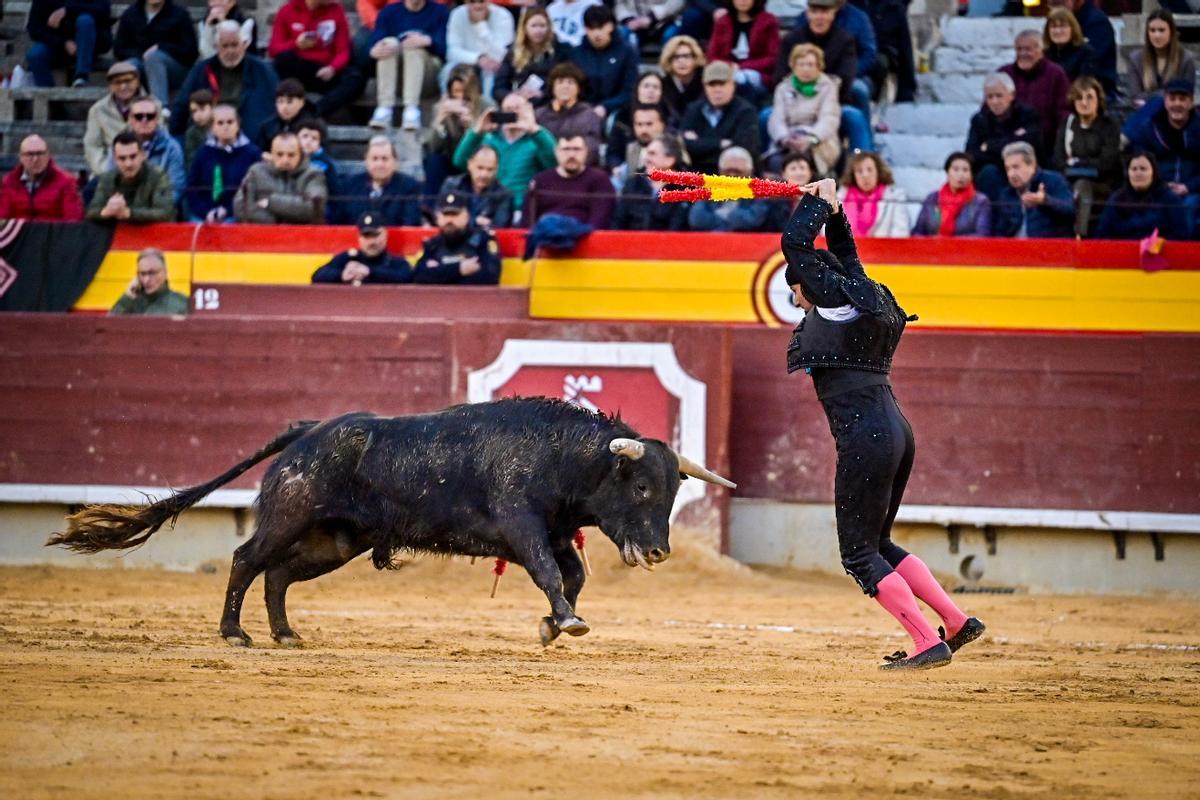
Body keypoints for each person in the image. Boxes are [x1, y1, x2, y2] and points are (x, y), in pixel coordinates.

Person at [781, 176, 985, 671]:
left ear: (807, 284)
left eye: (797, 294)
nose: (799, 304)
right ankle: (955, 621)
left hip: (865, 436)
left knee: (858, 553)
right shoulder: (863, 294)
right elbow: (846, 254)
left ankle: (925, 640)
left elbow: (794, 245)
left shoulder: (832, 302)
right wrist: (834, 208)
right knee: (879, 543)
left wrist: (814, 202)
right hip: (895, 430)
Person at [773, 0, 871, 154]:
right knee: (765, 116)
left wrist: (820, 88)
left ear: (833, 14)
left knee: (854, 117)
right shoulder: (791, 39)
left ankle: (862, 157)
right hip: (794, 104)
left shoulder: (845, 40)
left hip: (832, 102)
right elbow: (780, 75)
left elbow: (846, 77)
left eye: (824, 12)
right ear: (807, 14)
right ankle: (761, 163)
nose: (819, 17)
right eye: (815, 12)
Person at [169, 20, 279, 145]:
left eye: (234, 45)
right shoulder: (202, 70)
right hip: (208, 139)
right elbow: (182, 105)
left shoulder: (262, 70)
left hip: (252, 140)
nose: (230, 51)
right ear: (216, 47)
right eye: (225, 46)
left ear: (244, 44)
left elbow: (275, 106)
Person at [453, 93, 557, 209]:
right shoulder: (489, 139)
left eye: (517, 108)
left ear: (528, 111)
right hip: (489, 206)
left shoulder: (536, 140)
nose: (512, 112)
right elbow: (460, 161)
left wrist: (534, 129)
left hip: (521, 207)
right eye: (507, 109)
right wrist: (477, 131)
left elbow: (554, 163)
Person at [1123, 80, 1200, 234]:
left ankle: (1183, 248)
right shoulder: (1149, 128)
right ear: (1165, 101)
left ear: (1191, 102)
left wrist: (1188, 187)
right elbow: (1139, 162)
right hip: (1156, 189)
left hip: (1193, 191)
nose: (1177, 104)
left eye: (1182, 99)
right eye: (1172, 99)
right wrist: (1161, 185)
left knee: (1189, 206)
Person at [268, 0, 366, 119]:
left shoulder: (337, 10)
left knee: (356, 78)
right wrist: (296, 44)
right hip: (298, 69)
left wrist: (333, 68)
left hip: (325, 70)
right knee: (281, 61)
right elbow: (273, 49)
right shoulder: (287, 10)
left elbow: (343, 51)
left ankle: (315, 111)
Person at [1052, 76, 1121, 238]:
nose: (1084, 102)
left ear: (1099, 100)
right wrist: (1085, 165)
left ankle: (1079, 237)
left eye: (1089, 97)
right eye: (1079, 97)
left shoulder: (1109, 125)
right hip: (1069, 181)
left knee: (1082, 186)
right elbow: (1058, 161)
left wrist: (1076, 163)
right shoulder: (1068, 123)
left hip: (1103, 184)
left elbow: (1107, 164)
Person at [368, 0, 450, 130]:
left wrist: (428, 41)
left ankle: (411, 110)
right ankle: (384, 108)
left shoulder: (440, 12)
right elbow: (374, 44)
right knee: (388, 43)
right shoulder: (389, 12)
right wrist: (375, 50)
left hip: (428, 78)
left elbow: (448, 50)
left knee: (413, 47)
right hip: (397, 78)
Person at [767, 43, 841, 177]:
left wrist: (811, 138)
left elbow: (829, 118)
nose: (806, 69)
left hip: (817, 142)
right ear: (793, 66)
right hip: (789, 139)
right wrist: (784, 138)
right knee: (776, 162)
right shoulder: (783, 88)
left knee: (804, 162)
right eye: (801, 64)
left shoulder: (828, 86)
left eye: (810, 65)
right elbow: (777, 118)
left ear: (819, 66)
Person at [965, 72, 1041, 201]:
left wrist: (989, 146)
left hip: (1024, 169)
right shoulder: (979, 119)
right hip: (992, 173)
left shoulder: (1027, 114)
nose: (994, 101)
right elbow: (972, 154)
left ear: (1012, 95)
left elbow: (1028, 147)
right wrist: (1010, 141)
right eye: (990, 97)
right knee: (988, 173)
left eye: (999, 96)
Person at [680, 60, 761, 175]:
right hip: (697, 177)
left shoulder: (746, 111)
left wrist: (700, 145)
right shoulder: (694, 110)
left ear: (733, 85)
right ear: (704, 87)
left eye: (722, 84)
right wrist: (721, 143)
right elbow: (685, 146)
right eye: (712, 85)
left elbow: (744, 149)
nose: (717, 90)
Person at [999, 30, 1070, 159]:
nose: (1023, 54)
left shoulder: (1055, 74)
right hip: (1007, 145)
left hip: (1046, 146)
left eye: (1028, 49)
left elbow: (1063, 113)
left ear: (1041, 50)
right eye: (1019, 49)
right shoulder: (1005, 74)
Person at [185, 104, 262, 222]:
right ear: (212, 128)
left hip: (238, 214)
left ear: (238, 124)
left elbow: (254, 191)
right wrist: (206, 212)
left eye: (230, 122)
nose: (226, 127)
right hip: (204, 214)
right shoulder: (203, 153)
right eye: (220, 123)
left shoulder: (252, 153)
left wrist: (228, 210)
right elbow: (192, 188)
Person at [113, 0, 198, 106]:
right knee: (129, 66)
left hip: (175, 70)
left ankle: (160, 108)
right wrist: (142, 55)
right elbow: (119, 49)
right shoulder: (131, 14)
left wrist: (161, 47)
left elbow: (190, 51)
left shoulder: (179, 14)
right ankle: (125, 108)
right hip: (141, 65)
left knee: (154, 58)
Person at [233, 131, 328, 224]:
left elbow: (314, 209)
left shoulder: (313, 174)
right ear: (271, 153)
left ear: (300, 155)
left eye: (291, 155)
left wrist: (270, 202)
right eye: (279, 154)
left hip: (301, 233)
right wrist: (275, 223)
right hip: (263, 232)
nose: (285, 160)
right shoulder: (256, 172)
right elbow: (242, 209)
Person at [1094, 152, 1190, 241]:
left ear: (1154, 173)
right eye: (1134, 169)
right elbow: (1102, 235)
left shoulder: (1169, 199)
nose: (1138, 173)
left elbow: (1181, 236)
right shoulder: (1117, 198)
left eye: (1143, 169)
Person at [525, 134, 615, 228]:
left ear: (586, 151)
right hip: (544, 234)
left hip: (585, 235)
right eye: (566, 149)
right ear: (556, 152)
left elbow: (600, 221)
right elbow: (527, 222)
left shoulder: (599, 179)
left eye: (577, 149)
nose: (571, 155)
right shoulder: (540, 180)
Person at [425, 64, 490, 195]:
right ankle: (432, 203)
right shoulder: (441, 107)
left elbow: (489, 144)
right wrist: (439, 122)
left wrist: (472, 126)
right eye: (456, 91)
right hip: (450, 159)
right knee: (433, 160)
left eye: (464, 92)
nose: (460, 97)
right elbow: (433, 147)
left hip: (475, 159)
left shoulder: (486, 106)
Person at [412, 190, 502, 284]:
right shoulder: (432, 245)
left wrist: (438, 273)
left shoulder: (482, 240)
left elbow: (490, 275)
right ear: (438, 217)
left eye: (455, 214)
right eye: (445, 214)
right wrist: (459, 269)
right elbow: (418, 276)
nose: (450, 220)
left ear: (467, 216)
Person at [331, 136, 424, 226]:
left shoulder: (409, 187)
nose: (379, 164)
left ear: (395, 162)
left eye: (385, 159)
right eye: (374, 159)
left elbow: (411, 223)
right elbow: (338, 223)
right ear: (366, 161)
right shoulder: (349, 185)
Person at [990, 141, 1075, 239]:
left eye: (1016, 167)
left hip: (1047, 245)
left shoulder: (1054, 181)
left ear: (1032, 165)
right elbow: (999, 233)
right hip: (1014, 247)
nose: (1011, 174)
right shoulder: (1007, 194)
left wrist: (1045, 201)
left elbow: (1071, 209)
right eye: (1007, 169)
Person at [112, 95, 186, 205]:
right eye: (138, 116)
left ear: (157, 119)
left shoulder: (172, 148)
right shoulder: (119, 145)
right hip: (123, 207)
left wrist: (148, 209)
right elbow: (109, 182)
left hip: (160, 210)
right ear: (130, 119)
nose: (144, 120)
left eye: (150, 116)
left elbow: (176, 189)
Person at [87, 130, 176, 223]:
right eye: (122, 158)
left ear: (143, 155)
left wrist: (128, 213)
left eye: (133, 157)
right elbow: (91, 211)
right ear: (114, 159)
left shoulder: (158, 176)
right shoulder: (107, 178)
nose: (128, 164)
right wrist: (107, 211)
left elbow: (165, 213)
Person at [572, 5, 639, 124]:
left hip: (616, 112)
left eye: (600, 27)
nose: (596, 34)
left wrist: (606, 106)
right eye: (591, 29)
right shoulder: (577, 53)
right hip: (581, 110)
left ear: (611, 26)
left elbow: (629, 90)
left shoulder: (627, 52)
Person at [612, 134, 689, 232]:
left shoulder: (683, 189)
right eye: (647, 153)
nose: (646, 159)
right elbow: (618, 223)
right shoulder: (633, 184)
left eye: (652, 154)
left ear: (669, 160)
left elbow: (677, 227)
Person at [26, 0, 112, 87]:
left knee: (85, 20)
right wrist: (64, 43)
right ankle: (48, 92)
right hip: (56, 45)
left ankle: (81, 77)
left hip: (87, 45)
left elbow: (103, 9)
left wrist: (67, 10)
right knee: (35, 55)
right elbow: (34, 28)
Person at [705, 0, 779, 101]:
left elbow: (772, 58)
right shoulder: (723, 21)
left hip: (757, 73)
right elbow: (713, 55)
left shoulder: (768, 21)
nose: (743, 1)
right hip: (727, 71)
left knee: (741, 79)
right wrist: (729, 66)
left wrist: (741, 67)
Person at [312, 212, 414, 284]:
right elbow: (317, 276)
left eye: (376, 235)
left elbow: (406, 277)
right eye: (366, 236)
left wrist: (369, 272)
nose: (371, 242)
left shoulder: (395, 262)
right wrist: (341, 275)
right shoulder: (348, 258)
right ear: (359, 238)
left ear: (385, 235)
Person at [493, 6, 565, 107]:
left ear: (549, 27)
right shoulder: (513, 52)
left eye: (542, 26)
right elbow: (499, 87)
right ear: (525, 27)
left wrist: (543, 93)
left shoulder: (560, 50)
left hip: (549, 103)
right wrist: (511, 96)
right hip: (519, 103)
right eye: (534, 26)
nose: (538, 30)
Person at [0, 135, 85, 221]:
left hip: (53, 229)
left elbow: (73, 220)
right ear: (21, 157)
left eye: (40, 153)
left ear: (48, 155)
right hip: (19, 229)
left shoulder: (67, 182)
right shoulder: (8, 182)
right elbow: (2, 219)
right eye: (29, 154)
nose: (35, 159)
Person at [1125, 9, 1196, 111]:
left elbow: (1186, 96)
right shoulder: (1135, 59)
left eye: (1161, 30)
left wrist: (1149, 97)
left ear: (1171, 32)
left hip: (1176, 113)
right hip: (1145, 114)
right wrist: (1167, 94)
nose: (1157, 35)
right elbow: (1135, 98)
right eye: (1152, 30)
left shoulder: (1186, 60)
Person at [84, 61, 146, 176]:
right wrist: (103, 169)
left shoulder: (153, 106)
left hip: (145, 168)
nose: (123, 86)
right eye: (117, 82)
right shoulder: (98, 110)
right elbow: (92, 145)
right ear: (110, 86)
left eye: (128, 81)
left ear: (137, 81)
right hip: (109, 167)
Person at [688, 146, 770, 232]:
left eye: (738, 172)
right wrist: (731, 220)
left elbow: (753, 220)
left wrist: (723, 216)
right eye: (727, 171)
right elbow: (696, 219)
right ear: (720, 171)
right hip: (711, 238)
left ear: (750, 172)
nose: (732, 175)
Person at [445, 0, 514, 102]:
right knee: (448, 70)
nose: (477, 6)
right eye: (472, 1)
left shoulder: (503, 16)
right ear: (466, 2)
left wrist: (481, 25)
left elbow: (504, 54)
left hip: (494, 64)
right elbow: (452, 52)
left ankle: (489, 108)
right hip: (467, 61)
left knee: (493, 71)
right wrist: (478, 58)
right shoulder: (457, 14)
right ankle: (451, 105)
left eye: (481, 1)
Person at [535, 62, 603, 164]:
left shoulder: (589, 115)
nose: (565, 86)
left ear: (579, 88)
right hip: (543, 166)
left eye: (571, 82)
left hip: (575, 166)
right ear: (552, 87)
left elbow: (592, 147)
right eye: (560, 82)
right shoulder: (539, 114)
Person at [911, 152, 991, 237]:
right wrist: (932, 242)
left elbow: (982, 235)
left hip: (964, 246)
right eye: (955, 169)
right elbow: (917, 232)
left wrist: (948, 242)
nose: (960, 175)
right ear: (947, 172)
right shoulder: (932, 198)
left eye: (965, 170)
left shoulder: (980, 201)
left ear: (971, 175)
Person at [438, 144, 514, 228]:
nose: (484, 174)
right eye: (480, 168)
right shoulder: (452, 185)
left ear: (497, 169)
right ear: (469, 164)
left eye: (490, 169)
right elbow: (440, 216)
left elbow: (499, 226)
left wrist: (461, 220)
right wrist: (474, 221)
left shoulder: (504, 194)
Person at [839, 152, 910, 238]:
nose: (865, 175)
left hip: (884, 246)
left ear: (878, 172)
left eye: (869, 170)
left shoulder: (895, 197)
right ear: (853, 175)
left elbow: (901, 234)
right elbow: (830, 234)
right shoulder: (840, 198)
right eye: (859, 171)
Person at [110, 248, 189, 315]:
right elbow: (108, 326)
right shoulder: (130, 303)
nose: (146, 280)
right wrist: (127, 297)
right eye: (142, 274)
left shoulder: (183, 304)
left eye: (152, 273)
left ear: (165, 272)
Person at [256, 79, 316, 152]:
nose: (284, 107)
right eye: (280, 101)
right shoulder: (268, 126)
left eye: (289, 102)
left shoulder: (311, 127)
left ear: (301, 102)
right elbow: (259, 151)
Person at [1042, 8, 1096, 86]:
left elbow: (1084, 85)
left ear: (1073, 29)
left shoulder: (1085, 53)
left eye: (1063, 26)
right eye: (1053, 27)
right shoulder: (1043, 54)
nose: (1058, 31)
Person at [766, 149, 817, 231]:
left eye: (802, 168)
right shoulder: (775, 199)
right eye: (793, 169)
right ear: (783, 174)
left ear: (810, 173)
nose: (798, 173)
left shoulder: (819, 198)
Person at [660, 35, 705, 124]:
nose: (682, 61)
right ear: (669, 60)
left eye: (686, 56)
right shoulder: (663, 85)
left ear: (695, 58)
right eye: (676, 57)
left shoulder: (705, 83)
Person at [615, 0, 685, 49]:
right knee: (623, 33)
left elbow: (676, 2)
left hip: (665, 21)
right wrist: (628, 19)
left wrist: (652, 17)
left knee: (670, 35)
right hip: (635, 21)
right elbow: (620, 4)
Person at [297, 117, 339, 196]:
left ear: (320, 143)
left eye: (314, 138)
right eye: (305, 136)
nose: (309, 141)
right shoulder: (288, 158)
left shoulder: (326, 164)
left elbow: (334, 191)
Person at [183, 89, 214, 171]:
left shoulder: (222, 126)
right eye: (194, 111)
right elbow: (191, 162)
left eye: (202, 109)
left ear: (212, 107)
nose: (198, 115)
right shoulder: (191, 133)